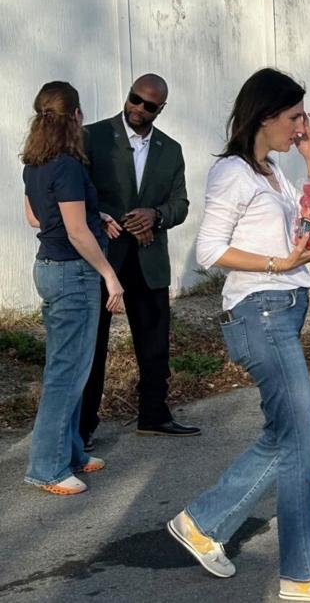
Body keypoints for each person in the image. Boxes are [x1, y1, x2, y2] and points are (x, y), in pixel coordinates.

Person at [177, 68, 310, 602]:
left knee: (283, 438)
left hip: (284, 307)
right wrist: (280, 264)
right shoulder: (232, 173)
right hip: (261, 312)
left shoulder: (273, 170)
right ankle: (303, 574)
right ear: (265, 116)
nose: (302, 126)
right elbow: (211, 250)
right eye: (294, 117)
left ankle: (202, 522)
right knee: (302, 445)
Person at [79, 73, 197, 451]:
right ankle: (83, 427)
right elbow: (78, 193)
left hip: (148, 259)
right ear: (128, 95)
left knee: (154, 341)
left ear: (160, 109)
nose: (138, 108)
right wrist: (123, 219)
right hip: (104, 258)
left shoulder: (171, 149)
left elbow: (181, 204)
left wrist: (155, 216)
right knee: (92, 345)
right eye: (135, 99)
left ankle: (154, 415)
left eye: (149, 105)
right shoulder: (93, 138)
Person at [21, 81, 124, 496]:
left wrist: (93, 214)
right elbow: (76, 231)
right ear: (77, 116)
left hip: (48, 267)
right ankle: (46, 467)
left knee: (71, 367)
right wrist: (110, 275)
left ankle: (72, 452)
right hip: (73, 273)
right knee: (67, 373)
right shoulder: (66, 165)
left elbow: (34, 218)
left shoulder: (35, 163)